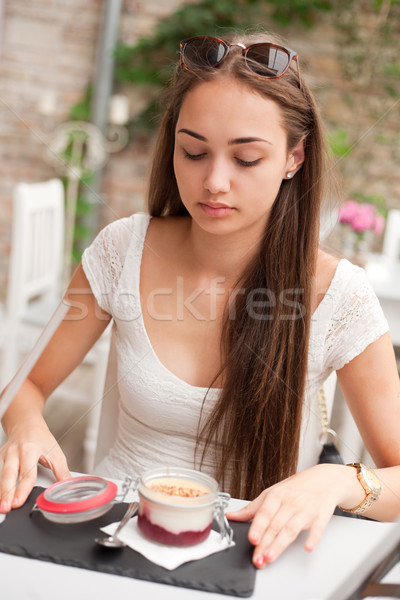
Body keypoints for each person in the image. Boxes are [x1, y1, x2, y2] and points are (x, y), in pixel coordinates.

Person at [1, 31, 400, 569]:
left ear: (294, 157)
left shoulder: (340, 294)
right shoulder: (123, 249)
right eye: (193, 151)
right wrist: (26, 426)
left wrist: (336, 482)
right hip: (117, 542)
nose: (214, 181)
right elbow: (27, 385)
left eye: (247, 159)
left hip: (250, 558)